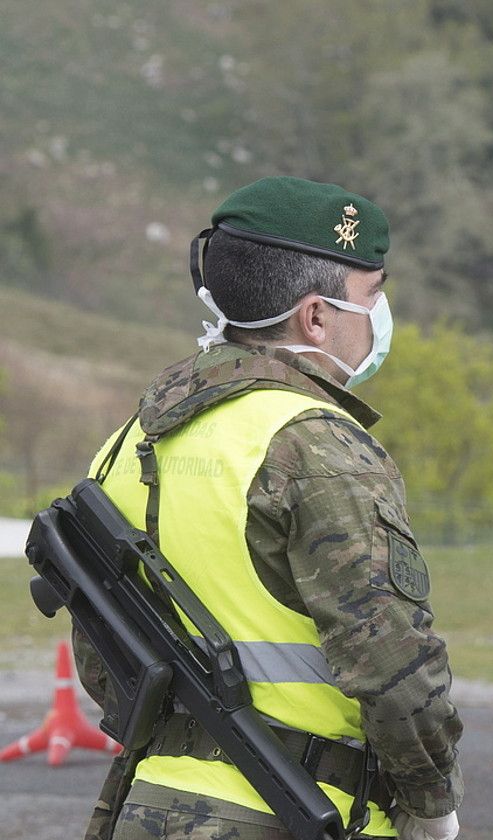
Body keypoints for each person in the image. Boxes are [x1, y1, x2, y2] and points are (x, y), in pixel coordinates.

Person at [72, 176, 464, 840]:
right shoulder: (318, 446)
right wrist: (433, 805)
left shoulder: (129, 441)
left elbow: (97, 656)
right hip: (297, 810)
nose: (382, 313)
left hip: (147, 804)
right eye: (373, 296)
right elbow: (394, 664)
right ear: (316, 316)